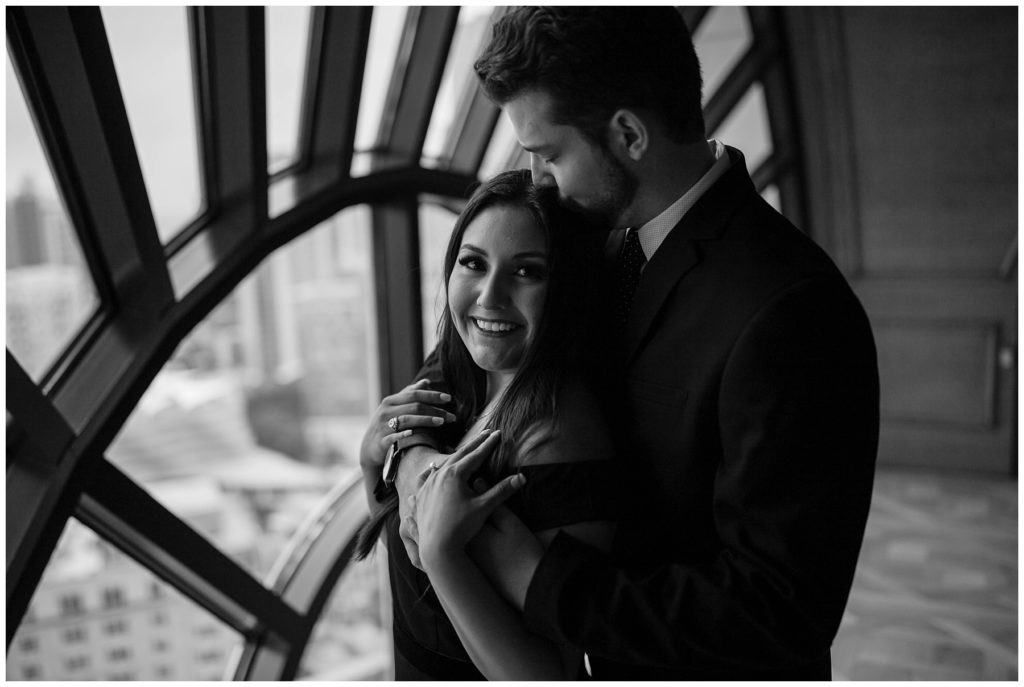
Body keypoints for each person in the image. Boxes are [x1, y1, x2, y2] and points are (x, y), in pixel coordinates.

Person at [400, 6, 880, 680]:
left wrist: (536, 575)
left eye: (549, 151)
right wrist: (405, 446)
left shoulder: (793, 310)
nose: (538, 176)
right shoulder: (592, 230)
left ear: (627, 133)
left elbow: (777, 613)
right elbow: (477, 349)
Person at [356, 169, 620, 679]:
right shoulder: (463, 382)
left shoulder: (555, 437)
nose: (490, 297)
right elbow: (411, 568)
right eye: (473, 263)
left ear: (566, 288)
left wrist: (443, 555)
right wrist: (372, 463)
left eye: (526, 272)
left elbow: (552, 675)